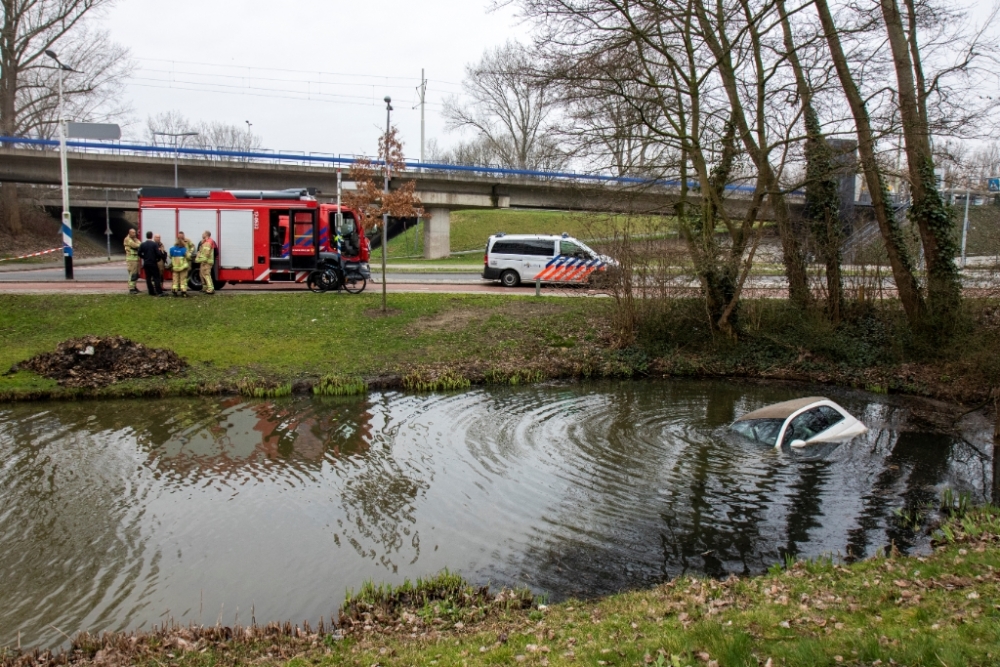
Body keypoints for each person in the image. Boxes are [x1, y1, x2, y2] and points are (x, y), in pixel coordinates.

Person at [138, 231, 167, 296]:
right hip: (153, 263)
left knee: (148, 278)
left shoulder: (143, 244)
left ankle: (151, 291)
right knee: (156, 277)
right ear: (152, 236)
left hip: (146, 263)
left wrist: (144, 257)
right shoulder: (154, 244)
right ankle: (159, 292)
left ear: (146, 236)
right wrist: (157, 259)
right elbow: (158, 254)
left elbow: (139, 253)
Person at [195, 230, 217, 295]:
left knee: (206, 274)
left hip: (206, 262)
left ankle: (210, 289)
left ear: (206, 235)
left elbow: (206, 255)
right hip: (204, 261)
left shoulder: (208, 242)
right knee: (202, 274)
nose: (202, 234)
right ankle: (205, 288)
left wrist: (198, 260)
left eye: (203, 233)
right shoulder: (205, 242)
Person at [123, 228, 141, 294]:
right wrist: (138, 245)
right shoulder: (127, 239)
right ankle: (131, 288)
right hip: (131, 259)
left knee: (136, 274)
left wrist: (139, 245)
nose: (134, 234)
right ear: (129, 233)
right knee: (132, 274)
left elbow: (139, 243)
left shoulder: (134, 239)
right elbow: (135, 245)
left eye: (135, 232)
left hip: (135, 258)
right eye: (133, 233)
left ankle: (134, 286)